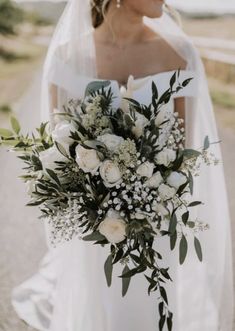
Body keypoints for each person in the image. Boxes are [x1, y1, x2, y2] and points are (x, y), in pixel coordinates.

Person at [12, 1, 234, 330]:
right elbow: (61, 149)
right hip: (92, 228)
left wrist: (145, 197)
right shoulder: (65, 56)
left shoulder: (179, 53)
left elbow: (182, 157)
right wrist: (95, 196)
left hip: (155, 224)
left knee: (148, 307)